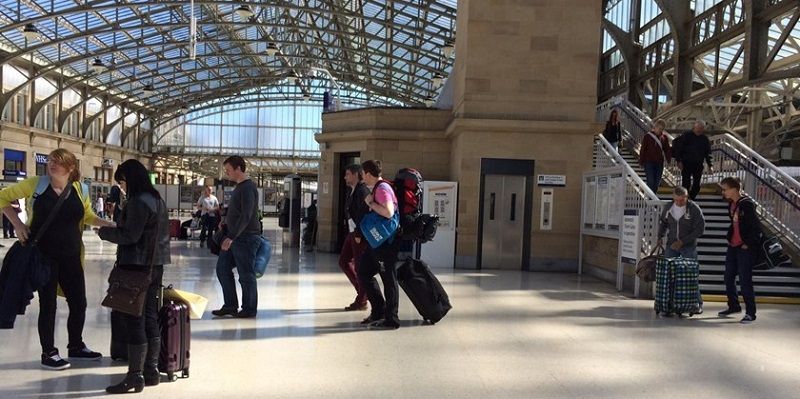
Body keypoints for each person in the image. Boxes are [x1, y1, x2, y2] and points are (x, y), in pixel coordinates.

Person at [0, 149, 115, 370]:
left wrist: (108, 224)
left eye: (58, 162)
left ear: (71, 168)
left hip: (72, 256)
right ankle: (48, 352)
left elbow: (88, 216)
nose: (52, 165)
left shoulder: (81, 189)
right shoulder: (37, 184)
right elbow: (3, 197)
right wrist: (18, 224)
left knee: (79, 303)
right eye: (51, 161)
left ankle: (76, 346)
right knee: (48, 305)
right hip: (44, 257)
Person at [97, 160, 171, 394]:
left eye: (122, 181)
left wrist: (105, 232)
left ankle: (134, 376)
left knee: (134, 319)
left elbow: (130, 235)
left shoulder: (139, 202)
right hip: (155, 266)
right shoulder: (157, 200)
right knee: (150, 317)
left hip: (136, 267)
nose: (122, 187)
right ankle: (150, 371)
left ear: (131, 179)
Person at [212, 156, 262, 319]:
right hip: (234, 237)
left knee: (246, 274)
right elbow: (238, 213)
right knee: (222, 269)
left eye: (228, 170)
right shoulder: (240, 187)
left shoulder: (248, 188)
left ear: (239, 168)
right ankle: (231, 305)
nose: (227, 174)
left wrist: (231, 236)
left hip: (245, 238)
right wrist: (226, 225)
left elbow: (247, 215)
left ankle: (249, 309)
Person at [357, 160, 401, 330]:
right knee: (363, 271)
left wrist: (371, 203)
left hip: (386, 243)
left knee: (389, 279)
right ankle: (379, 310)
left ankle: (392, 319)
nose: (362, 177)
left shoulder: (382, 189)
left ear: (368, 173)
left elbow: (389, 212)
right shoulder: (378, 188)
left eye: (363, 174)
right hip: (377, 241)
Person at [718, 177, 762, 324]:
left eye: (725, 189)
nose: (723, 192)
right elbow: (735, 224)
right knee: (728, 276)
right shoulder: (731, 205)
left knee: (745, 280)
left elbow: (755, 227)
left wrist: (748, 243)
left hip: (745, 247)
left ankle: (751, 312)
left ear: (734, 189)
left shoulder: (746, 204)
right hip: (733, 245)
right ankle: (734, 305)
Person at [658, 186, 706, 314]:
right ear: (673, 198)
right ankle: (669, 305)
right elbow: (663, 223)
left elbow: (700, 229)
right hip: (671, 245)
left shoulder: (694, 209)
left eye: (682, 200)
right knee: (669, 275)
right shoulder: (669, 207)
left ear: (687, 197)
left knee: (691, 275)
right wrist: (659, 237)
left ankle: (697, 303)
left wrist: (683, 241)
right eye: (677, 200)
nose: (679, 203)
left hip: (688, 246)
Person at [339, 165, 370, 311]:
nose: (345, 177)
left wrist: (358, 234)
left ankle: (362, 299)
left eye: (347, 174)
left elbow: (364, 214)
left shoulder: (362, 190)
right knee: (344, 261)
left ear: (356, 175)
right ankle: (363, 293)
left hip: (359, 234)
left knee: (359, 266)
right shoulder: (352, 190)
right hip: (352, 233)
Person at [674, 120, 713, 200]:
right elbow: (678, 148)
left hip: (698, 164)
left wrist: (710, 165)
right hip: (686, 163)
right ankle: (685, 199)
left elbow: (708, 153)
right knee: (686, 183)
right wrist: (679, 160)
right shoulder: (686, 136)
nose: (699, 130)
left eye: (701, 128)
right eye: (697, 128)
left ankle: (690, 198)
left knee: (697, 185)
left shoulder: (704, 139)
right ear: (694, 128)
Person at [639, 118, 671, 194]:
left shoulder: (664, 138)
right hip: (649, 162)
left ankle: (652, 198)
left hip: (659, 163)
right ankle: (650, 199)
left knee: (657, 183)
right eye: (659, 128)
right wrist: (641, 161)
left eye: (662, 129)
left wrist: (668, 160)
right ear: (655, 127)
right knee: (650, 181)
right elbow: (643, 149)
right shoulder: (648, 136)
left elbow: (667, 149)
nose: (660, 130)